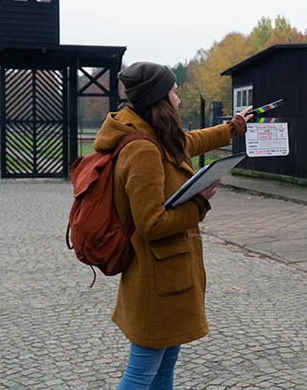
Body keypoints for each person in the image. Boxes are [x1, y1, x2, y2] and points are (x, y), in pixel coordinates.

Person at [92, 61, 253, 389]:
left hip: (170, 278)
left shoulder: (156, 135)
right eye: (174, 92)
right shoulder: (142, 150)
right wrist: (199, 203)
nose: (178, 99)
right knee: (141, 374)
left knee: (164, 369)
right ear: (160, 99)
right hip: (155, 282)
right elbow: (151, 223)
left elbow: (190, 142)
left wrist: (233, 127)